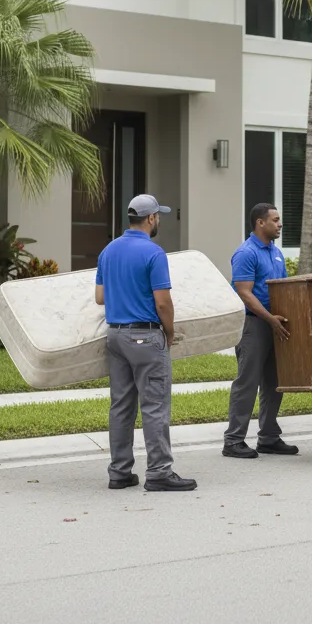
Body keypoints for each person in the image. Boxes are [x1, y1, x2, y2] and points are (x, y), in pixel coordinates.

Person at [95, 194, 196, 492]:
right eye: (158, 216)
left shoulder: (108, 251)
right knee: (154, 406)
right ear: (151, 218)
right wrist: (169, 332)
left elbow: (100, 297)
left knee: (121, 406)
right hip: (145, 335)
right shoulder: (154, 253)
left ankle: (120, 472)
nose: (159, 220)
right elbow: (163, 303)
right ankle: (160, 472)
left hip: (115, 336)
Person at [223, 203, 299, 459]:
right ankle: (233, 441)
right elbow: (243, 292)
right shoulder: (246, 253)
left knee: (274, 383)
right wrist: (269, 319)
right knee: (247, 382)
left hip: (274, 324)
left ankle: (268, 437)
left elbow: (283, 288)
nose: (280, 224)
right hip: (254, 325)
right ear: (260, 223)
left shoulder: (275, 252)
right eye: (275, 220)